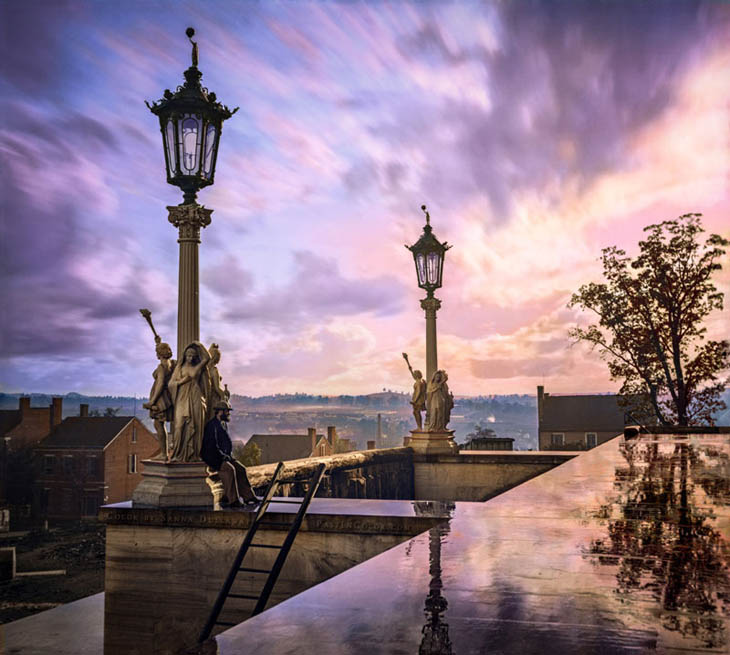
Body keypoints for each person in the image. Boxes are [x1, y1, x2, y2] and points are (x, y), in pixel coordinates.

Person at [201, 401, 258, 507]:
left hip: (223, 456)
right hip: (214, 457)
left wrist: (228, 456)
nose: (228, 413)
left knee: (241, 469)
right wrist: (223, 456)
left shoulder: (222, 424)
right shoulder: (212, 425)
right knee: (229, 469)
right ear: (220, 412)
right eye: (227, 411)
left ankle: (248, 497)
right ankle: (233, 500)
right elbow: (212, 446)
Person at [168, 341, 211, 462]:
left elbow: (207, 358)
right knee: (179, 426)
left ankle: (193, 455)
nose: (190, 358)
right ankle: (177, 454)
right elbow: (170, 384)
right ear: (185, 355)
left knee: (196, 426)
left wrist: (199, 345)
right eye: (188, 355)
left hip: (195, 397)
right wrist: (182, 382)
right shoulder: (179, 368)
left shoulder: (197, 367)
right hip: (182, 398)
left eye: (193, 356)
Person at [142, 337, 175, 460]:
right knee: (161, 424)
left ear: (159, 353)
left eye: (157, 351)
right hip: (168, 397)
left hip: (161, 398)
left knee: (158, 424)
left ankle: (164, 453)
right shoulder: (172, 364)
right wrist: (158, 343)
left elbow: (160, 384)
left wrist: (152, 401)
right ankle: (165, 453)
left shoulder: (161, 367)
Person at [403, 353, 426, 430]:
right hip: (418, 400)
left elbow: (419, 392)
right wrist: (409, 365)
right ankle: (419, 427)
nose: (413, 375)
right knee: (416, 413)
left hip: (418, 400)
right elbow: (412, 375)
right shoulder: (419, 381)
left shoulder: (418, 383)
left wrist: (414, 401)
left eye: (414, 374)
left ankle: (419, 427)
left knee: (416, 413)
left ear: (417, 375)